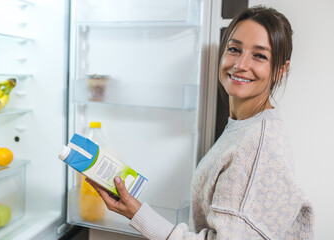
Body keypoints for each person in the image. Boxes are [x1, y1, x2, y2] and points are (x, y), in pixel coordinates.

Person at [86, 6, 315, 239]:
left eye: (259, 55)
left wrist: (138, 214)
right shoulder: (246, 125)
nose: (240, 64)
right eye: (234, 49)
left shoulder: (258, 147)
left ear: (279, 70)